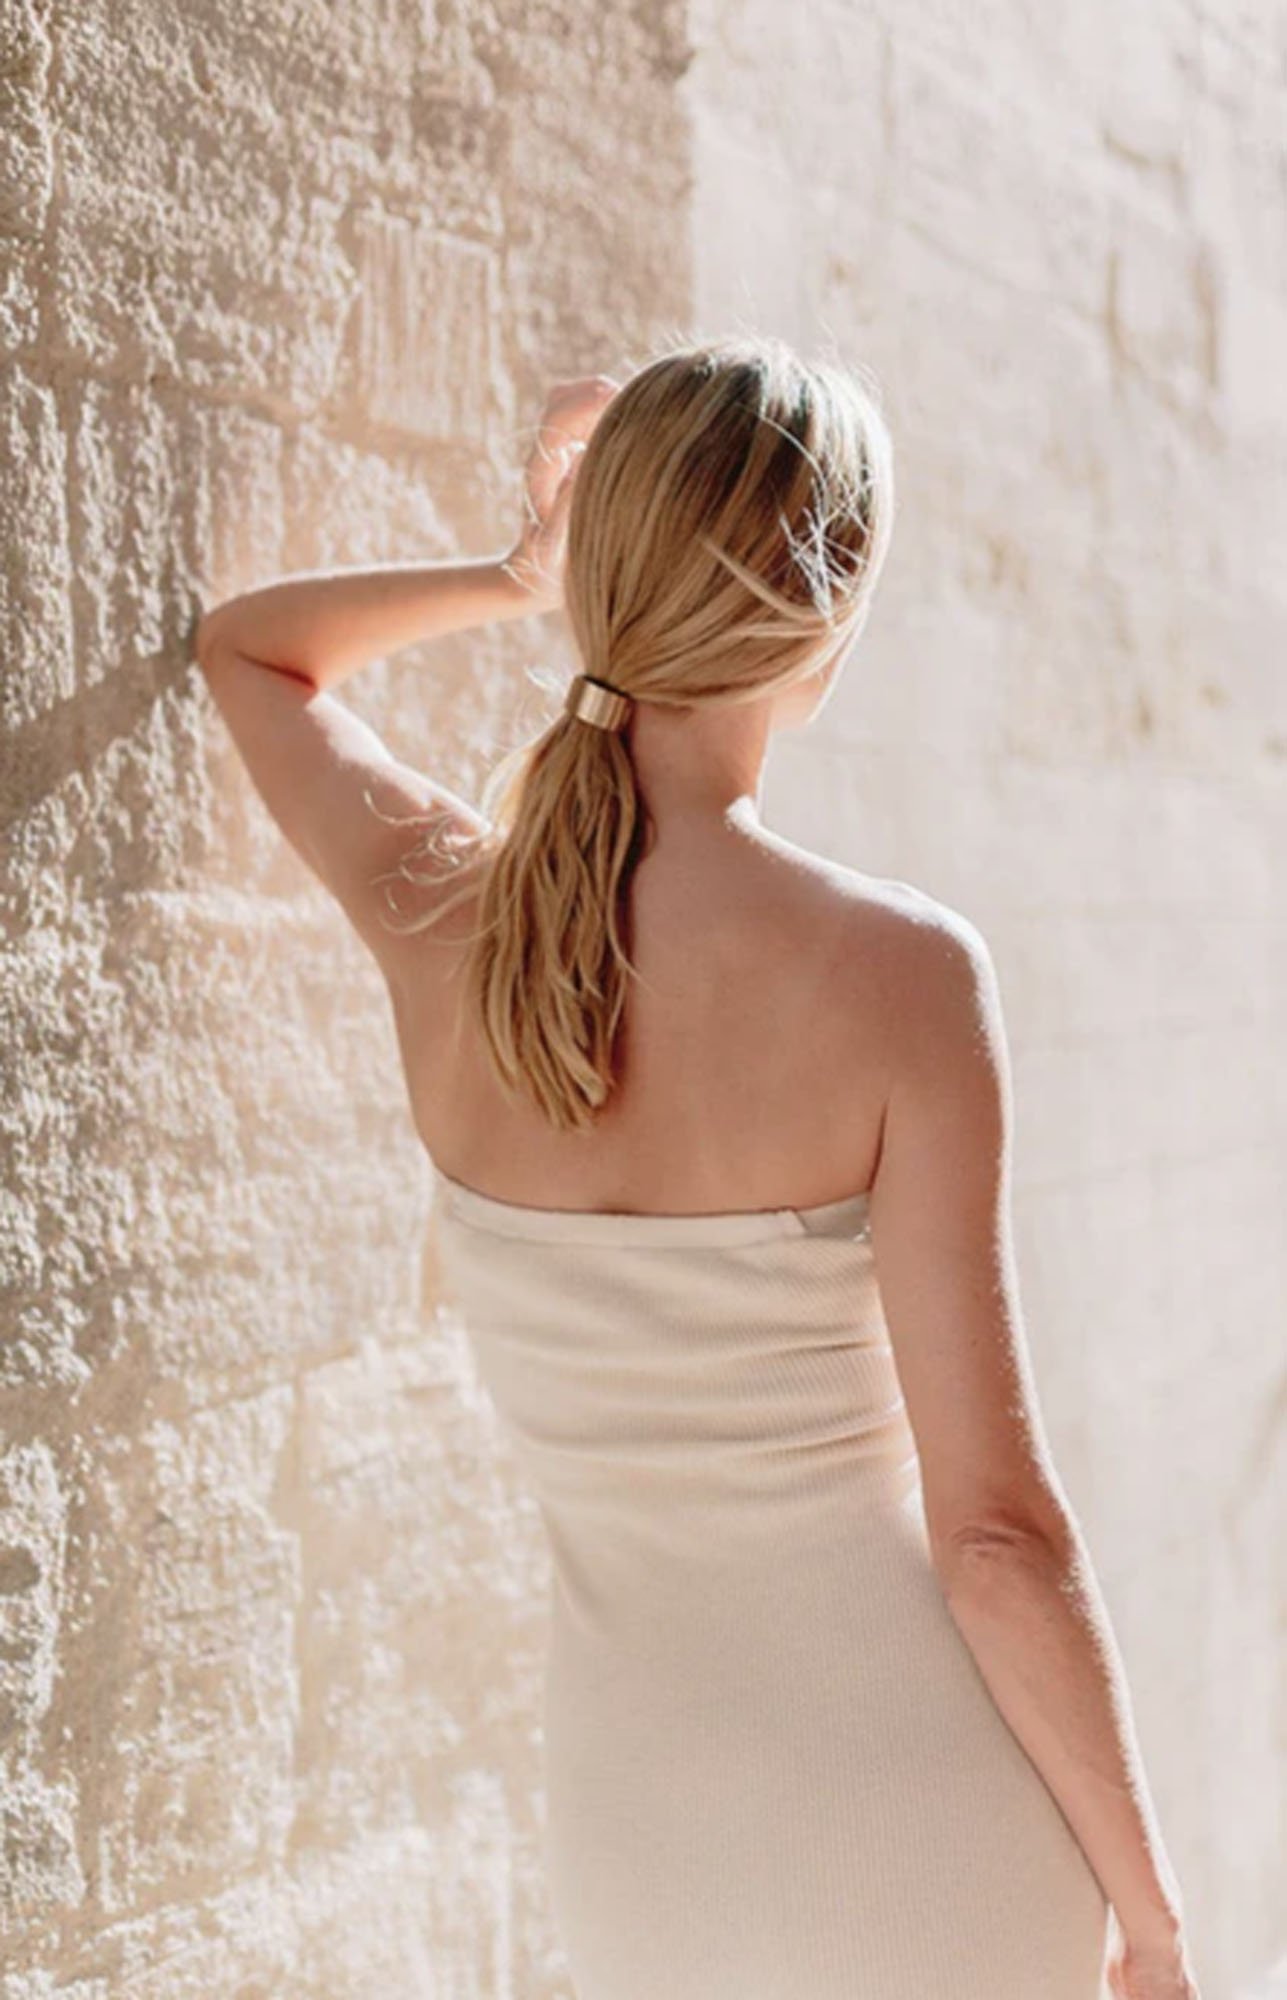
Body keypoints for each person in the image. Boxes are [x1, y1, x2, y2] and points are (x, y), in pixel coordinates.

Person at [195, 335, 1200, 1999]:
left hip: (638, 1841)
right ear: (830, 613)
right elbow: (1000, 1541)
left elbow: (252, 653)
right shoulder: (905, 977)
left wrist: (526, 580)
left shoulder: (447, 916)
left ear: (615, 572)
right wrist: (1154, 1921)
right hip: (928, 1835)